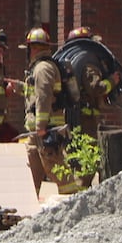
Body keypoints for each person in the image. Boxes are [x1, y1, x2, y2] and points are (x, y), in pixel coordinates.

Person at [21, 27, 74, 195]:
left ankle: (72, 199)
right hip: (36, 133)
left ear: (34, 48)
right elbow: (35, 95)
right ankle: (29, 203)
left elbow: (43, 98)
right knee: (31, 171)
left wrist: (41, 125)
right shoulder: (40, 68)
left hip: (46, 130)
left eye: (29, 48)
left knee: (55, 168)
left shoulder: (43, 68)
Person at [66, 26, 121, 140]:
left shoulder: (69, 64)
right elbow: (96, 88)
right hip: (86, 119)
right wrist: (112, 81)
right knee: (89, 150)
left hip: (73, 116)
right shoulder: (88, 65)